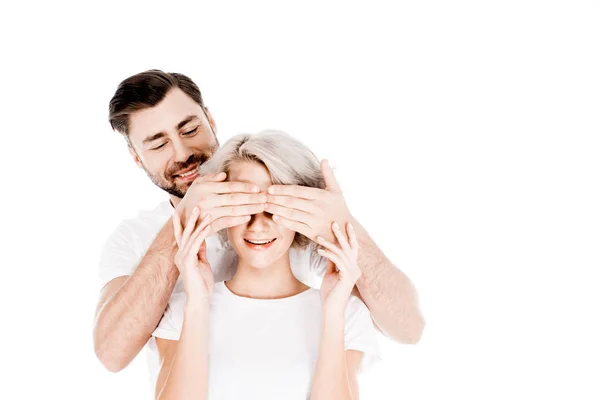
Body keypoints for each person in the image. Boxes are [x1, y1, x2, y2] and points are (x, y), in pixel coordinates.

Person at [94, 70, 425, 374]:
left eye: (190, 129)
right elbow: (111, 354)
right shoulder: (133, 239)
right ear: (136, 157)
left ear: (210, 119)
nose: (182, 153)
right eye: (159, 143)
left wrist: (342, 226)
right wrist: (181, 224)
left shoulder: (283, 213)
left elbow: (408, 328)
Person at [152, 131, 380, 399]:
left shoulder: (347, 313)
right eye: (245, 206)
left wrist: (332, 313)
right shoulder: (181, 311)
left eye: (275, 207)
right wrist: (198, 304)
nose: (258, 225)